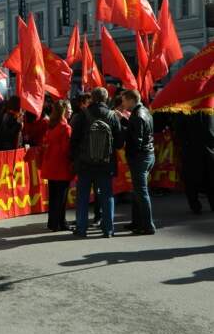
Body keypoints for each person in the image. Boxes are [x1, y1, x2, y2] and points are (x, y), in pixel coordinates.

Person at [70, 87, 124, 238]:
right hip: (105, 164)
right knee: (107, 196)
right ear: (106, 99)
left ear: (92, 98)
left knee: (83, 197)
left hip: (85, 164)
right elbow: (119, 143)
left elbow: (73, 141)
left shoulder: (82, 115)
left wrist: (75, 159)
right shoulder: (112, 116)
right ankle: (108, 229)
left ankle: (81, 229)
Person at [121, 90, 156, 235]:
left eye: (124, 101)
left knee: (141, 192)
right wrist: (124, 121)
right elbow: (136, 131)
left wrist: (122, 132)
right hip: (148, 155)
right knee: (137, 191)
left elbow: (137, 139)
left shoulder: (137, 115)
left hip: (140, 157)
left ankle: (148, 225)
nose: (122, 104)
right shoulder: (144, 111)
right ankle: (137, 222)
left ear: (130, 100)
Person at [41, 100, 73, 231]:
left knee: (54, 196)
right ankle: (60, 223)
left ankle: (53, 223)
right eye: (69, 108)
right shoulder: (66, 128)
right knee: (61, 197)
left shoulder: (51, 125)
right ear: (64, 111)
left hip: (50, 165)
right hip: (61, 166)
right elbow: (67, 149)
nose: (71, 111)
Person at [174, 112, 214, 214]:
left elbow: (179, 131)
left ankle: (195, 205)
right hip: (207, 150)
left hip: (192, 150)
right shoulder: (209, 109)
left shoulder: (184, 111)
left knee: (192, 180)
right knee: (209, 178)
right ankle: (207, 204)